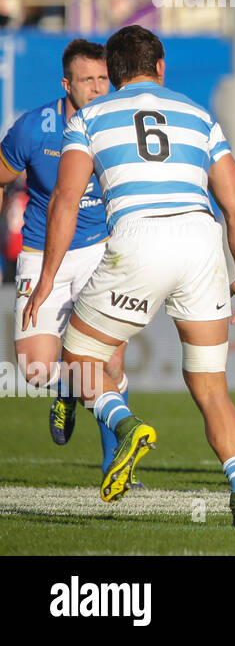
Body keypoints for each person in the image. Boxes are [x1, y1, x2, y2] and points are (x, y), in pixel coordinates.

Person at [22, 25, 235, 527]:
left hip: (138, 239)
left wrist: (47, 279)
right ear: (160, 68)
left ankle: (124, 422)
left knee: (77, 357)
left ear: (111, 72)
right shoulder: (199, 117)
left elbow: (66, 200)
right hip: (201, 244)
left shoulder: (89, 117)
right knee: (212, 387)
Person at [3, 40, 124, 477]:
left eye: (102, 79)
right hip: (41, 252)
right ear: (66, 83)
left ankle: (117, 466)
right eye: (87, 80)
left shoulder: (118, 124)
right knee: (36, 369)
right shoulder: (35, 127)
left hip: (101, 251)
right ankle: (65, 391)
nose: (97, 88)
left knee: (109, 361)